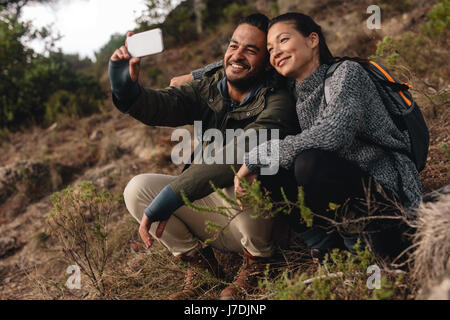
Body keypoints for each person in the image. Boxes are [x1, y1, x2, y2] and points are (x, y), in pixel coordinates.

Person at [187, 12, 422, 260]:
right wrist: (195, 76)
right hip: (341, 193)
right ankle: (324, 244)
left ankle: (363, 244)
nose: (275, 51)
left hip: (383, 193)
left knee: (305, 161)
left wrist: (257, 157)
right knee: (273, 165)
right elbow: (242, 63)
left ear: (312, 40)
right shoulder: (293, 88)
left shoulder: (346, 74)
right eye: (269, 48)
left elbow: (331, 135)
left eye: (283, 40)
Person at [108, 13, 300, 300]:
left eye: (251, 50)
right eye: (234, 45)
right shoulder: (209, 88)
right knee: (138, 189)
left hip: (257, 218)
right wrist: (125, 89)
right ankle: (202, 268)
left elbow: (242, 149)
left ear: (268, 59)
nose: (237, 55)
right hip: (213, 210)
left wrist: (172, 195)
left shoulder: (278, 100)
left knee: (248, 179)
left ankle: (260, 263)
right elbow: (160, 106)